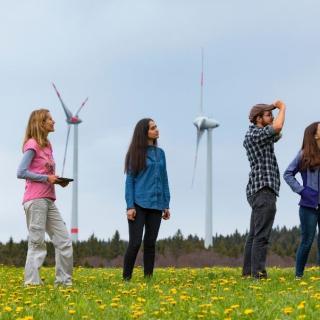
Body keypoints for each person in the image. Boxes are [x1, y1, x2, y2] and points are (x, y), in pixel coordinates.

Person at [17, 109, 73, 286]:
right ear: (40, 123)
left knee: (64, 240)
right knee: (37, 243)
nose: (53, 121)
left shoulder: (48, 146)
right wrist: (46, 178)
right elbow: (21, 172)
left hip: (49, 199)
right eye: (49, 119)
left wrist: (57, 181)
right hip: (35, 200)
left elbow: (44, 172)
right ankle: (32, 285)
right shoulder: (32, 144)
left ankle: (64, 283)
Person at [242, 101, 286, 279]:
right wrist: (282, 108)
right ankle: (258, 275)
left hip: (258, 190)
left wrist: (272, 110)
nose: (272, 116)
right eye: (268, 114)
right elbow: (277, 127)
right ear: (258, 119)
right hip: (263, 189)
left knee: (254, 236)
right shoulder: (255, 134)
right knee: (261, 236)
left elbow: (278, 132)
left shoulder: (257, 134)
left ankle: (247, 273)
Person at [123, 118, 170, 280]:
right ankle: (126, 278)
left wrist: (166, 204)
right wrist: (130, 206)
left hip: (156, 204)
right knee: (135, 243)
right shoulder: (135, 154)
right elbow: (129, 181)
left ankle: (148, 279)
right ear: (144, 132)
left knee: (150, 243)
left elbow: (164, 179)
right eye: (152, 128)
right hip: (138, 203)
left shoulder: (161, 153)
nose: (157, 130)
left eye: (156, 127)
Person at [284, 122, 320, 279]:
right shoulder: (303, 154)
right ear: (314, 134)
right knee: (307, 241)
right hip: (308, 207)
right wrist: (302, 191)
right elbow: (287, 174)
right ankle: (298, 276)